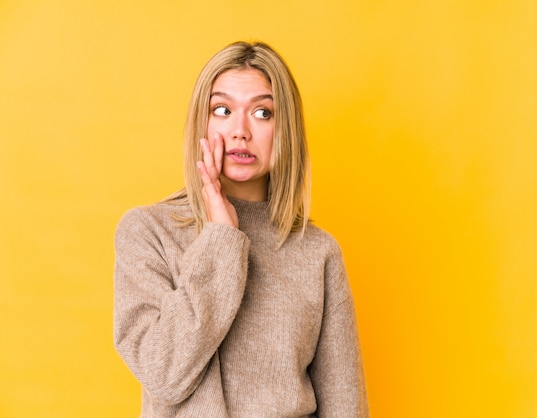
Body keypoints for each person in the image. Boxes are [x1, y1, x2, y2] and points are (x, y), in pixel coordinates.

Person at [114, 41, 369, 417]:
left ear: (286, 130)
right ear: (201, 123)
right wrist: (220, 238)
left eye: (263, 113)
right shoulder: (148, 232)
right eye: (222, 110)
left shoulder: (318, 252)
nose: (240, 131)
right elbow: (163, 374)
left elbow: (346, 405)